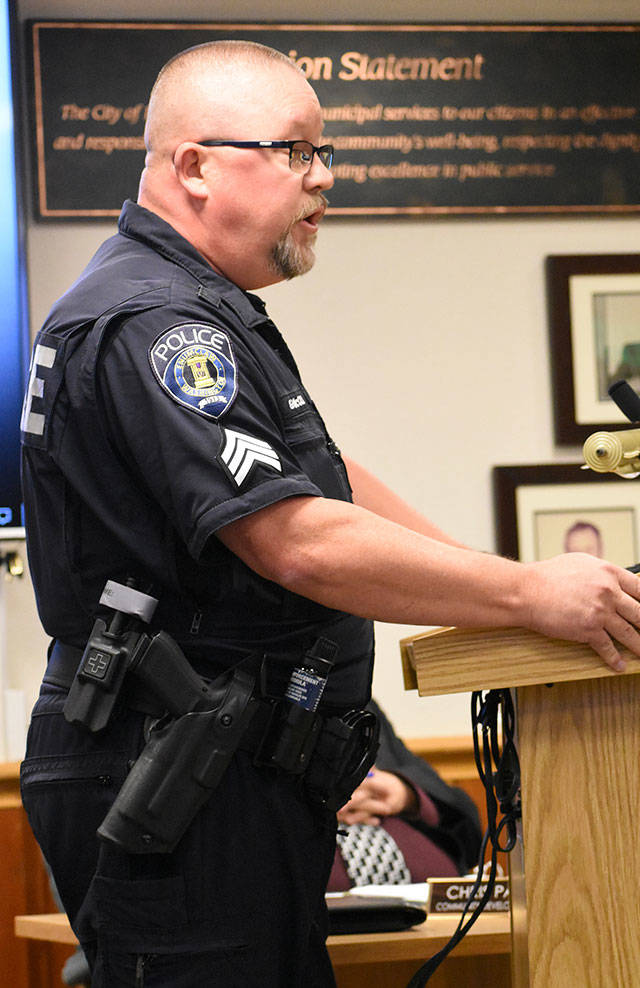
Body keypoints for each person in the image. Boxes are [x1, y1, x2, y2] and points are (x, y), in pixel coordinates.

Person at [19, 39, 640, 988]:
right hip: (173, 770)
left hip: (230, 769)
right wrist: (525, 594)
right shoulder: (159, 324)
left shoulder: (198, 306)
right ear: (194, 166)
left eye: (325, 152)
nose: (325, 179)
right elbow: (298, 541)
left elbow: (323, 481)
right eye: (298, 152)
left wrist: (502, 591)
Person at [328, 700, 481, 891]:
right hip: (328, 911)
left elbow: (468, 824)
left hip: (442, 906)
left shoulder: (354, 698)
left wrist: (405, 794)